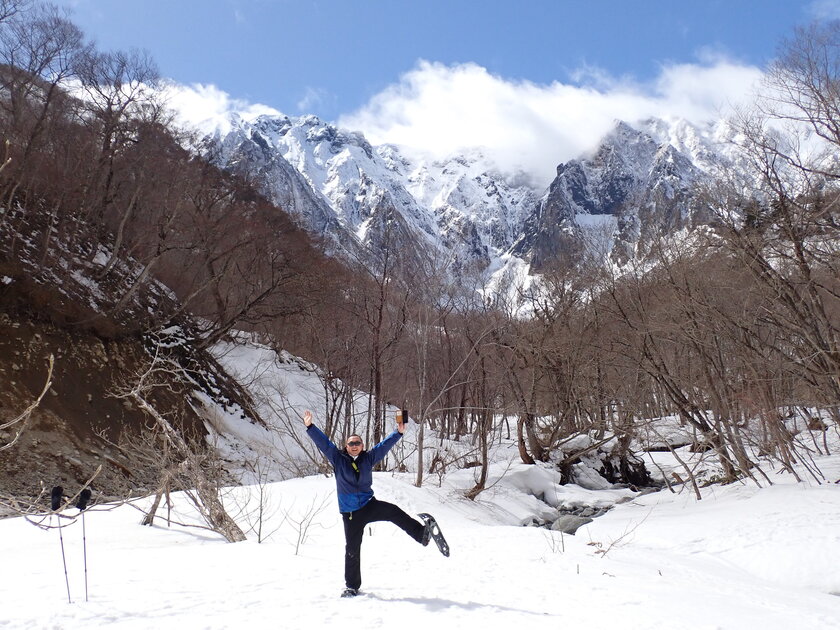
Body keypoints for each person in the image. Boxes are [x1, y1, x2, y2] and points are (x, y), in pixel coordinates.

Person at [303, 409, 437, 598]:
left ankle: (421, 534)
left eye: (357, 443)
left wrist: (398, 432)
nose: (354, 445)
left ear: (362, 445)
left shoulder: (368, 458)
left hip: (368, 505)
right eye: (351, 443)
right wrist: (310, 426)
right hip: (350, 513)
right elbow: (324, 444)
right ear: (346, 446)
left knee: (393, 511)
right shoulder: (338, 459)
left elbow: (384, 446)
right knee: (352, 549)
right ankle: (351, 586)